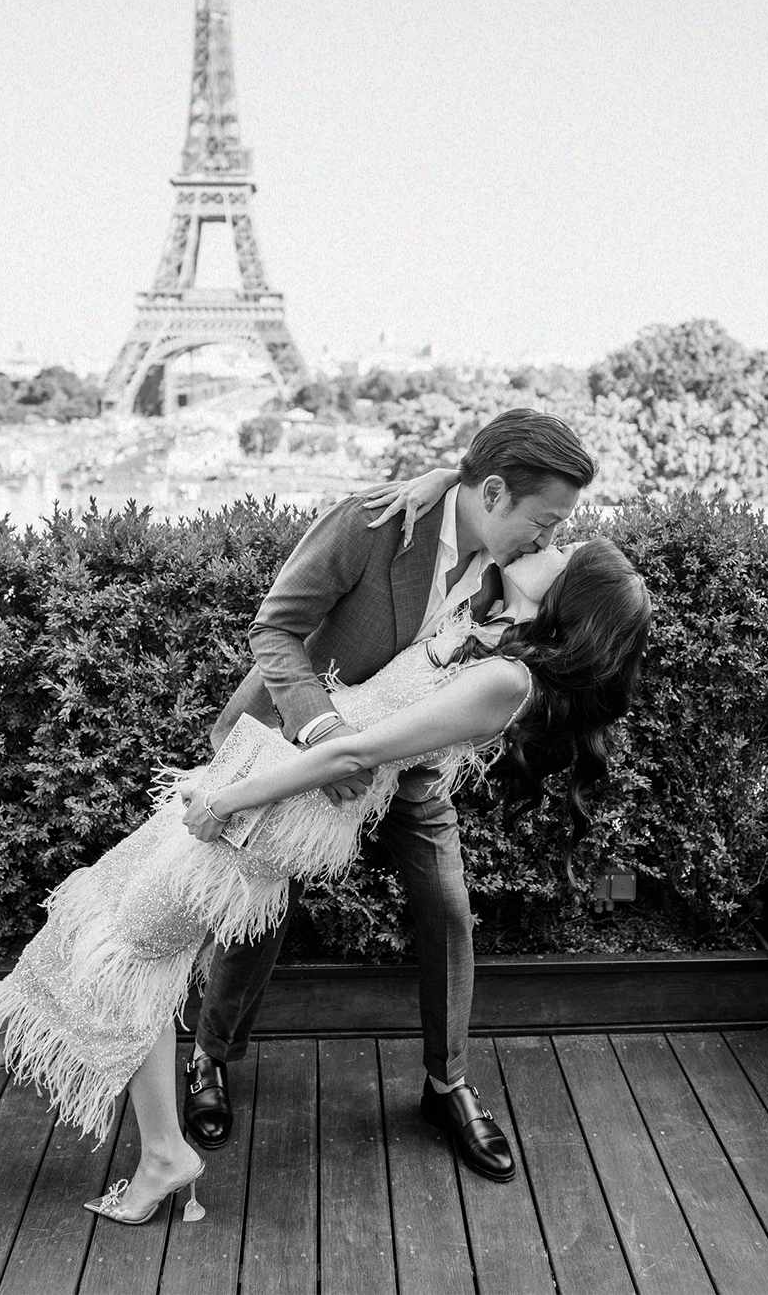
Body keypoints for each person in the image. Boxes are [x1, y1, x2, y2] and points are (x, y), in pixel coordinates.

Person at [0, 530, 649, 1226]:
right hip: (269, 774)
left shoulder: (506, 680)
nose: (550, 538)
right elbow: (451, 500)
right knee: (113, 907)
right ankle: (12, 1052)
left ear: (566, 594)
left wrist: (228, 801)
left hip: (282, 809)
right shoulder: (487, 621)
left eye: (564, 548)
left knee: (135, 949)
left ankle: (115, 1122)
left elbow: (354, 756)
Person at [184, 410, 596, 1184]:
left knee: (446, 905)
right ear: (496, 491)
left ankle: (447, 1083)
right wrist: (320, 733)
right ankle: (209, 1057)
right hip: (303, 742)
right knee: (259, 909)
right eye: (544, 522)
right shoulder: (371, 523)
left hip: (409, 762)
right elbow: (274, 631)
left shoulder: (518, 564)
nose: (549, 539)